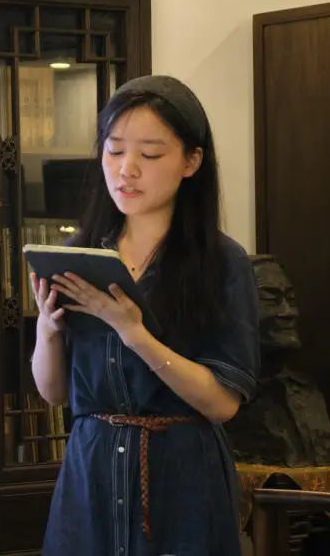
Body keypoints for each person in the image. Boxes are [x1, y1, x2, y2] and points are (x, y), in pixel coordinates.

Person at [30, 74, 260, 555]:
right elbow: (54, 393)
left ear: (191, 161)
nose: (126, 169)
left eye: (150, 155)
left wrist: (134, 332)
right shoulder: (79, 255)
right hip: (90, 473)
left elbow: (222, 404)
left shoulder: (222, 263)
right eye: (114, 151)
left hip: (181, 478)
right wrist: (47, 331)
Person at [223, 254, 330, 466]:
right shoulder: (221, 396)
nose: (289, 312)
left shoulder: (307, 392)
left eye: (290, 299)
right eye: (271, 299)